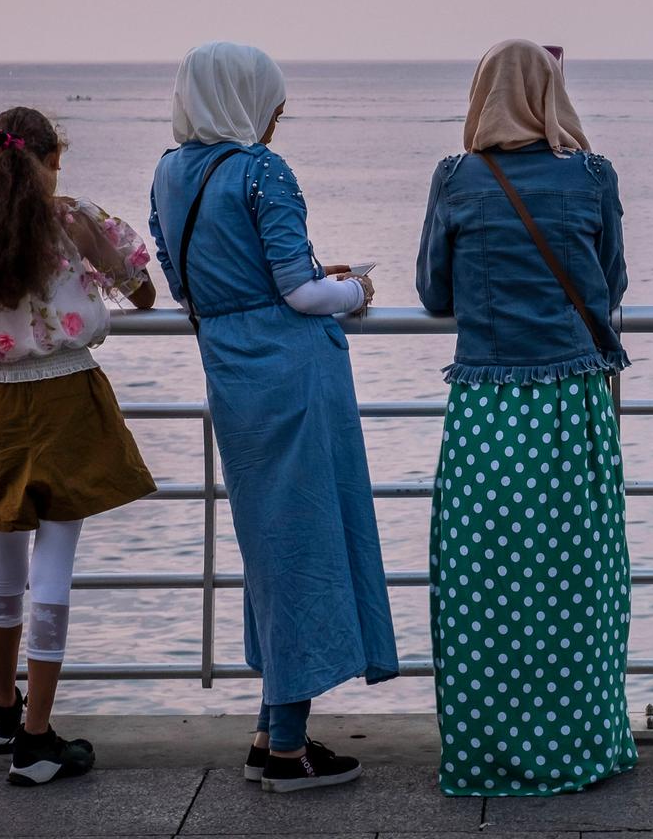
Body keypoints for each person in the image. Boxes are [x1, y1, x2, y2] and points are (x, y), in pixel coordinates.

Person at [148, 41, 397, 794]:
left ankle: (270, 729)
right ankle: (287, 747)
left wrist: (294, 283)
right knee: (307, 545)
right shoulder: (262, 170)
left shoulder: (166, 170)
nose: (276, 120)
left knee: (273, 544)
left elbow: (184, 280)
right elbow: (297, 290)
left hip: (229, 367)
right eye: (273, 107)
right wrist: (354, 291)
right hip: (291, 373)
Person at [0, 107, 157, 786]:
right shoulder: (73, 219)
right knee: (55, 564)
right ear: (48, 161)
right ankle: (38, 741)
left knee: (3, 562)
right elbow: (145, 292)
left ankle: (4, 710)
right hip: (67, 399)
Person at [416, 39, 636, 797]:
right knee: (576, 584)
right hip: (571, 407)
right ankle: (578, 746)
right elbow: (611, 283)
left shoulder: (456, 179)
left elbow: (433, 293)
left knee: (485, 589)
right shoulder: (592, 175)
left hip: (486, 411)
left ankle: (489, 754)